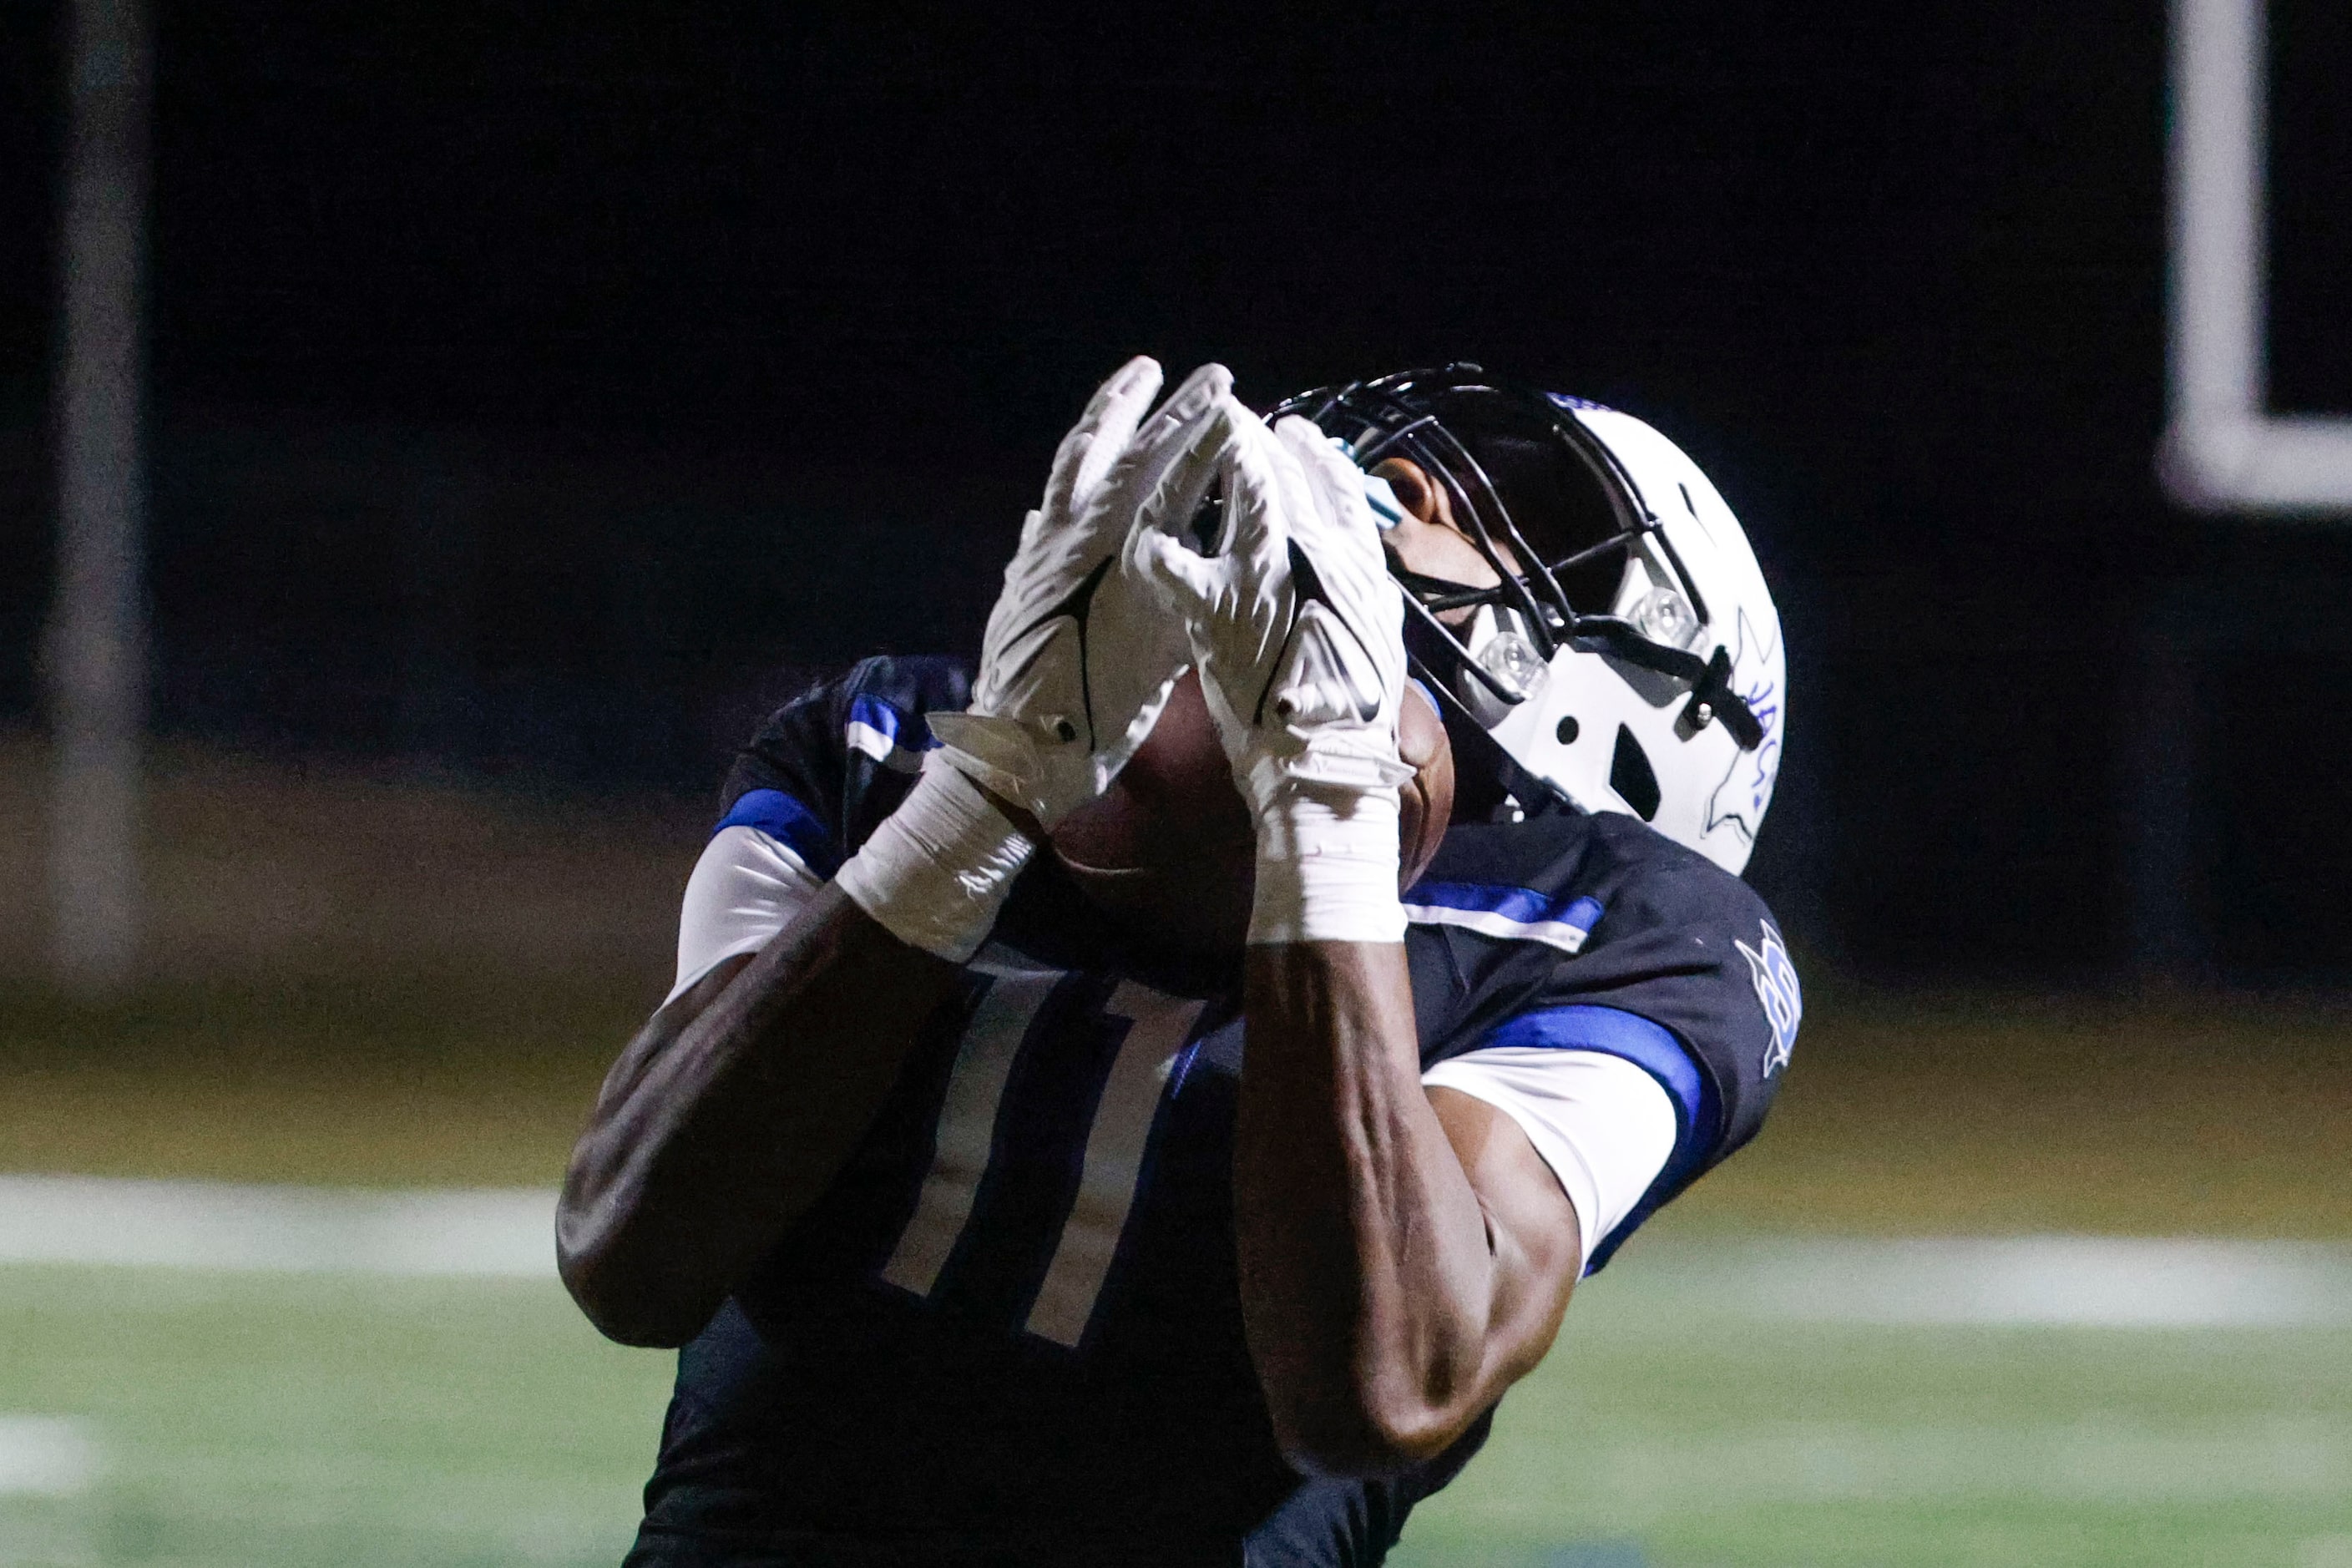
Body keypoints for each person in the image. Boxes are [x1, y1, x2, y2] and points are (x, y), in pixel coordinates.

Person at [557, 358, 1799, 1567]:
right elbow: (632, 1254)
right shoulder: (887, 741)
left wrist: (1324, 814)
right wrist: (985, 796)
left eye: (1529, 521)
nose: (1414, 484)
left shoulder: (1635, 933)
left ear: (1644, 718)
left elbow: (1385, 1383)